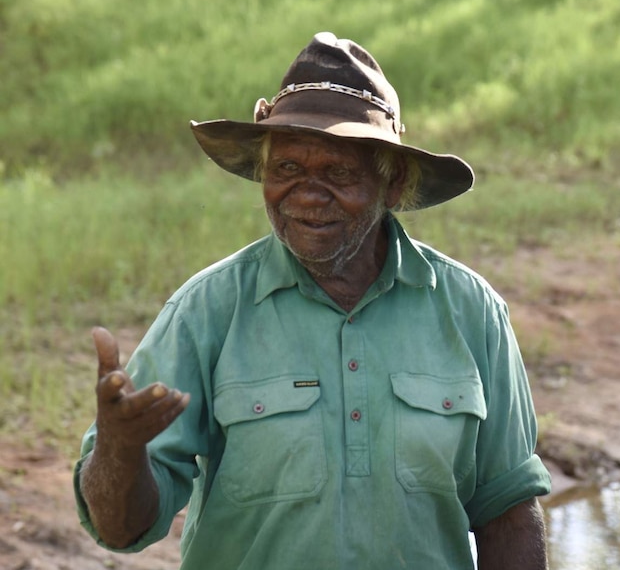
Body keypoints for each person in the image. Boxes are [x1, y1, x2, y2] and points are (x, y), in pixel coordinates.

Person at [74, 32, 552, 569]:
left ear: (392, 183)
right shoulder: (207, 312)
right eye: (287, 169)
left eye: (338, 172)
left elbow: (509, 513)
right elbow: (121, 530)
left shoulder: (471, 312)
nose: (305, 193)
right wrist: (120, 448)